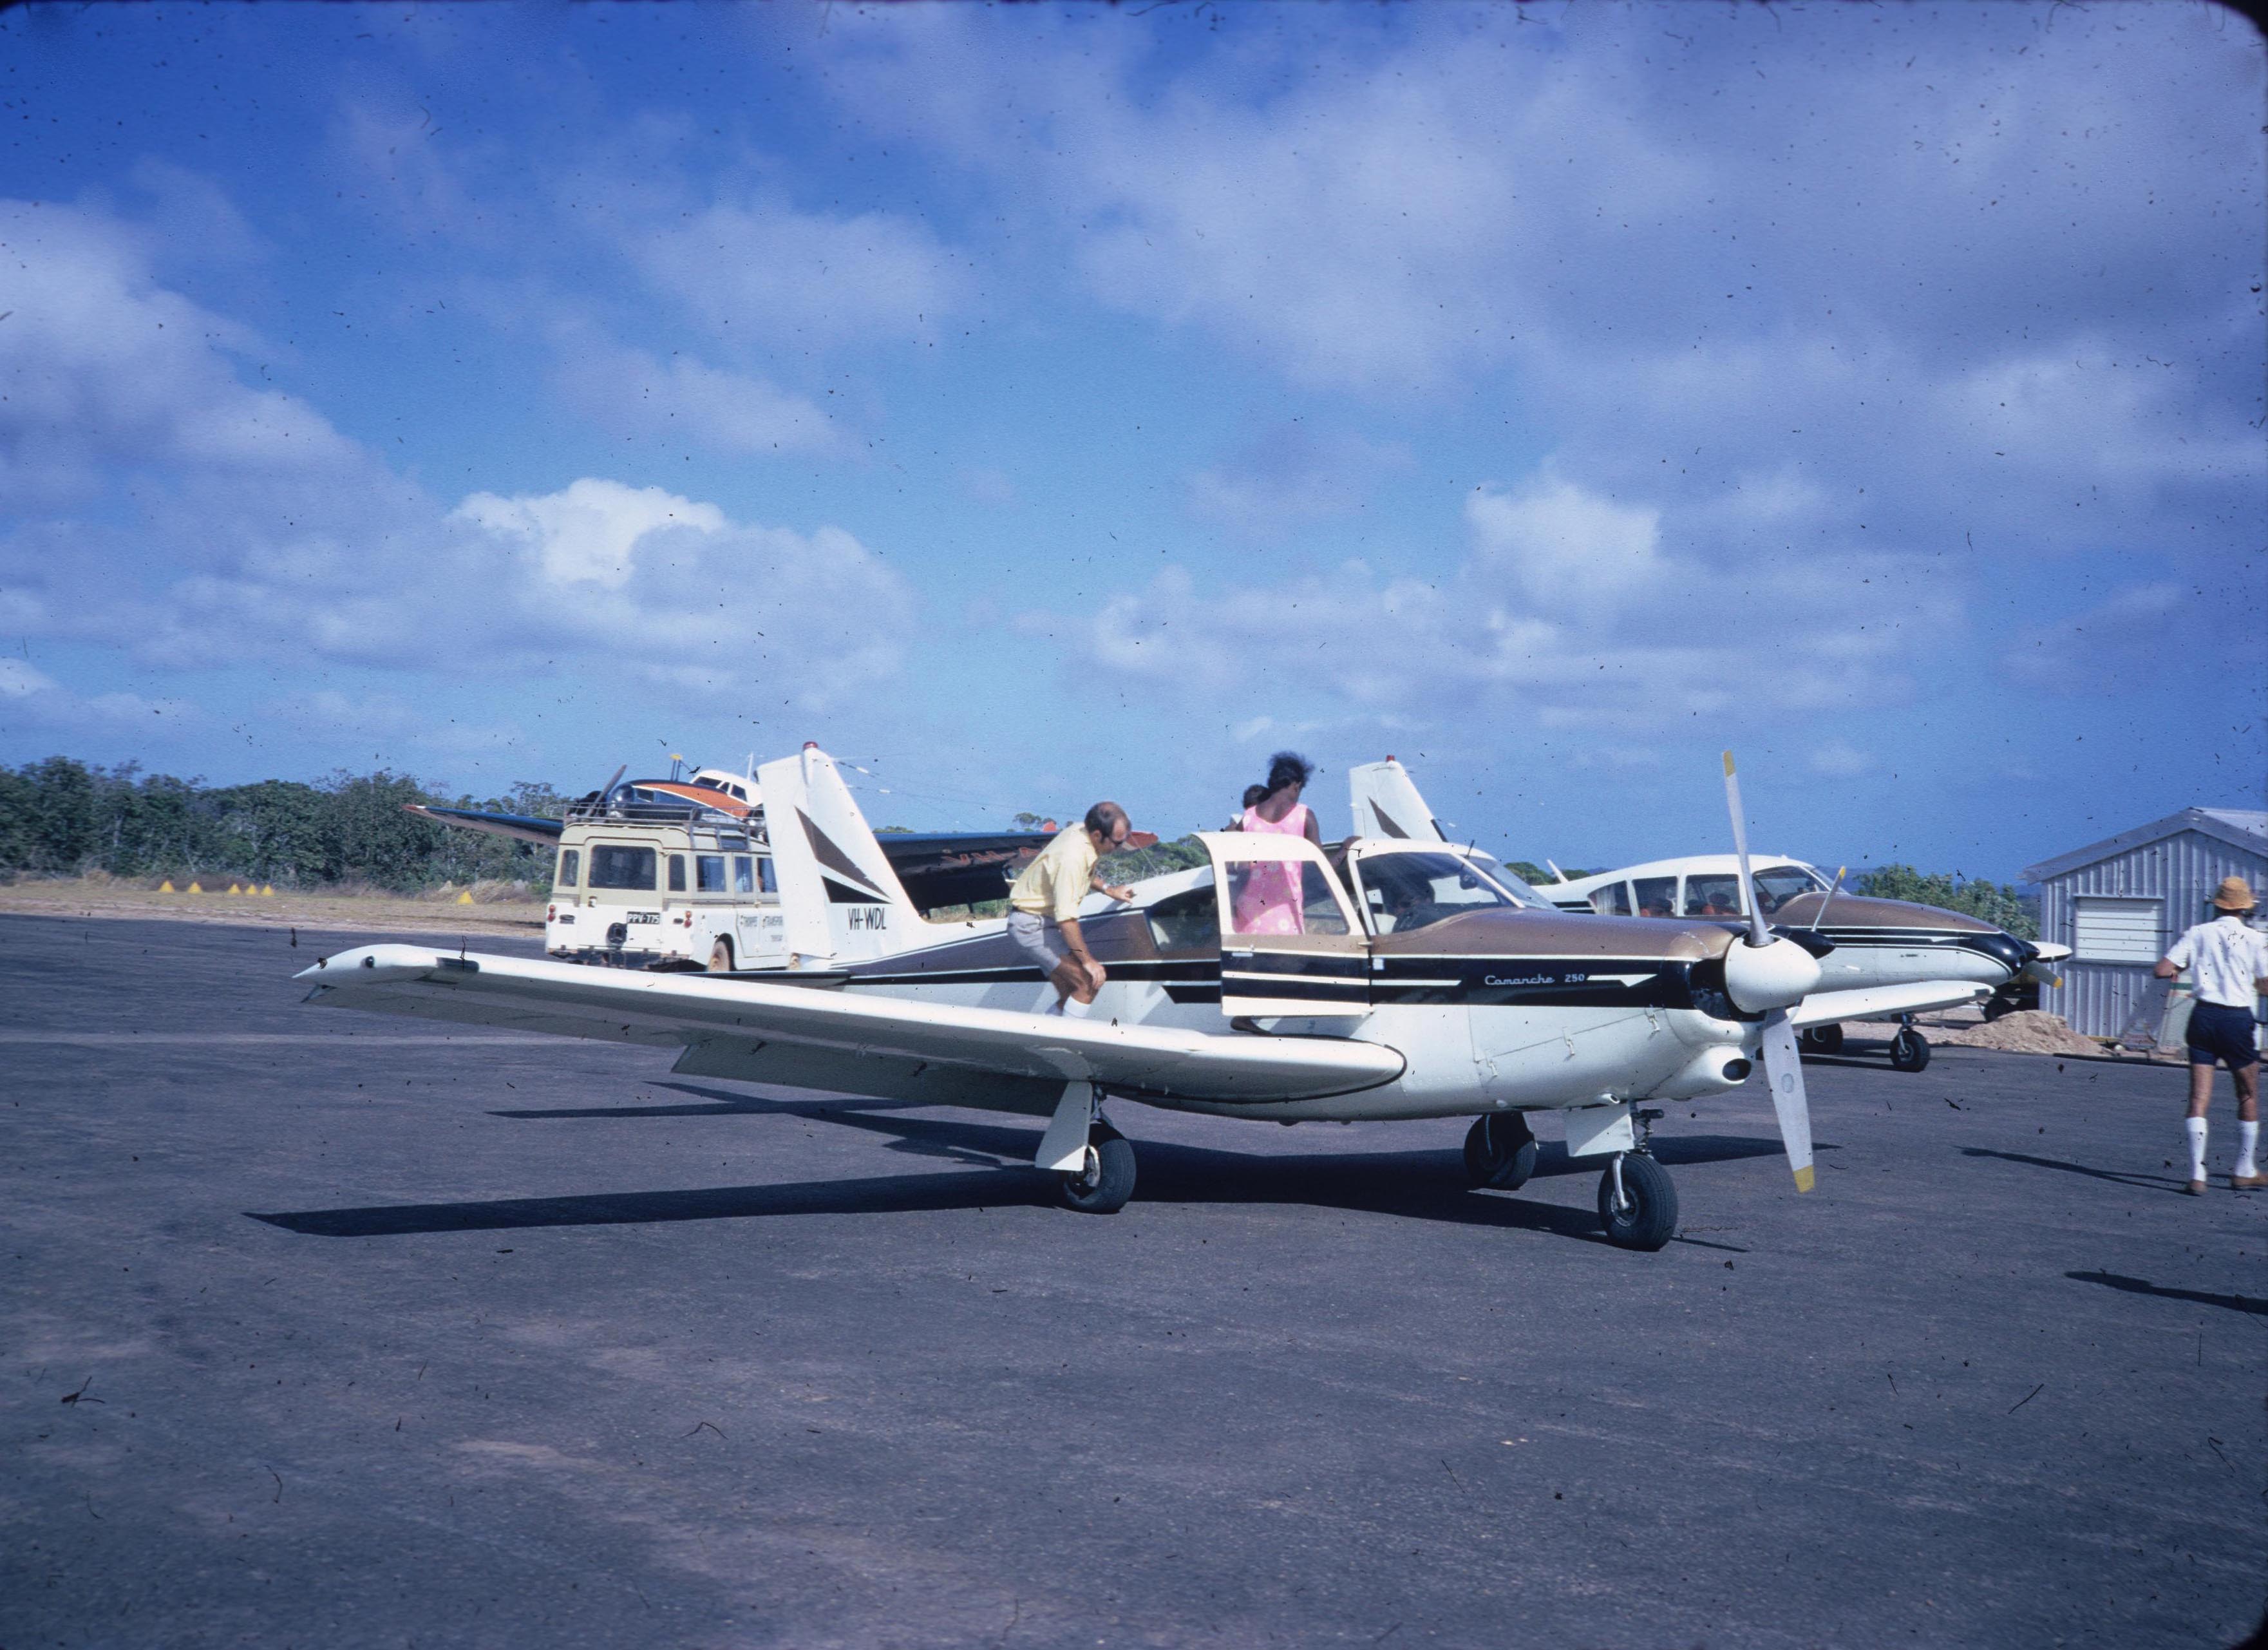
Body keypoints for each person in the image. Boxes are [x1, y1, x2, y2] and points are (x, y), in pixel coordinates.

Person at [2153, 876, 2268, 1193]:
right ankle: (2244, 1169)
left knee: (2198, 1098)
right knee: (2247, 1095)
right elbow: (2266, 984)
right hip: (2236, 1019)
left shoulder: (2198, 933)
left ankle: (2197, 1175)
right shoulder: (2256, 939)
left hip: (2203, 1016)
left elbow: (2162, 970)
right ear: (2246, 908)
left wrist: (2184, 969)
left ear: (2217, 904)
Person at [1007, 802, 1137, 1015]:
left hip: (1037, 921)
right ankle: (1062, 1046)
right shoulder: (1073, 857)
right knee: (1088, 982)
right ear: (1097, 835)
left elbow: (1083, 873)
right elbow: (1066, 920)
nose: (1120, 846)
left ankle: (1046, 1044)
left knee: (1071, 993)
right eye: (1117, 842)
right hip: (1032, 926)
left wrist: (1108, 889)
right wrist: (1089, 962)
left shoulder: (1080, 831)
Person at [1231, 752, 1323, 934]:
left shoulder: (1248, 818)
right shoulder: (1304, 816)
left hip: (1248, 915)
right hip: (1286, 915)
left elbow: (1235, 863)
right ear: (1296, 786)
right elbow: (1321, 867)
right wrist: (1346, 849)